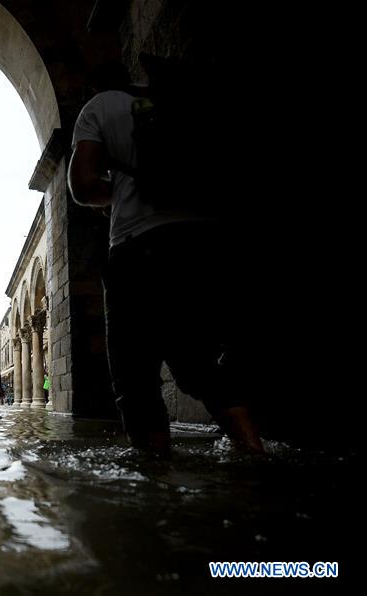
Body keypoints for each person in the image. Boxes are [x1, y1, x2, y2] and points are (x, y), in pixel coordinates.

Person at [67, 58, 263, 455]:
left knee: (134, 374)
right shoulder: (183, 102)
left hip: (140, 246)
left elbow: (82, 184)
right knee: (200, 364)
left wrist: (113, 197)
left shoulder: (100, 107)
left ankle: (154, 471)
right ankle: (253, 448)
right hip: (206, 242)